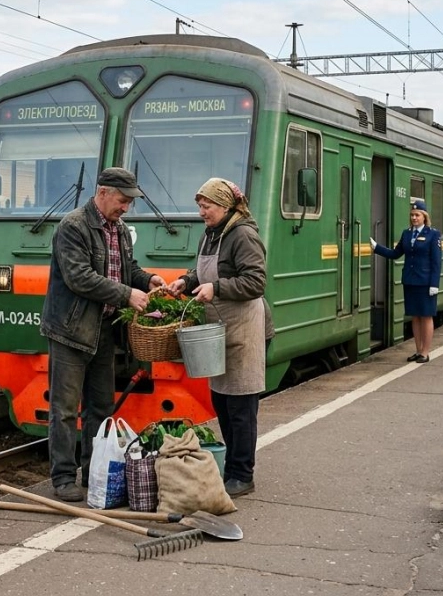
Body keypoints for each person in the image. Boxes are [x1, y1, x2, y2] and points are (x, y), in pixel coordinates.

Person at [39, 167, 164, 502]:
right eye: (122, 200)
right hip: (70, 330)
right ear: (104, 192)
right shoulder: (73, 226)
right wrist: (126, 295)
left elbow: (126, 269)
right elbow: (79, 277)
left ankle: (91, 471)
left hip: (104, 332)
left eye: (129, 203)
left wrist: (145, 280)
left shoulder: (119, 229)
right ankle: (63, 477)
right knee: (64, 409)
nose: (126, 207)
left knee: (102, 407)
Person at [165, 178, 272, 498]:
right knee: (222, 402)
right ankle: (233, 468)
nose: (201, 211)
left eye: (206, 205)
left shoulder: (243, 235)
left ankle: (243, 474)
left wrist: (218, 288)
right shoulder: (211, 234)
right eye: (200, 205)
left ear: (225, 206)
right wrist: (186, 281)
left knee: (241, 404)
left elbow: (256, 282)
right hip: (219, 330)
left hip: (244, 330)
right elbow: (205, 272)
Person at [370, 200, 443, 362]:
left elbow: (436, 262)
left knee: (426, 316)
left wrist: (434, 284)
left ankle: (425, 352)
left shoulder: (433, 235)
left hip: (425, 283)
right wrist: (377, 248)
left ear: (424, 217)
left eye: (417, 215)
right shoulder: (407, 233)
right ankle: (418, 350)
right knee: (415, 317)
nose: (414, 218)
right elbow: (396, 254)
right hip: (410, 281)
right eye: (412, 215)